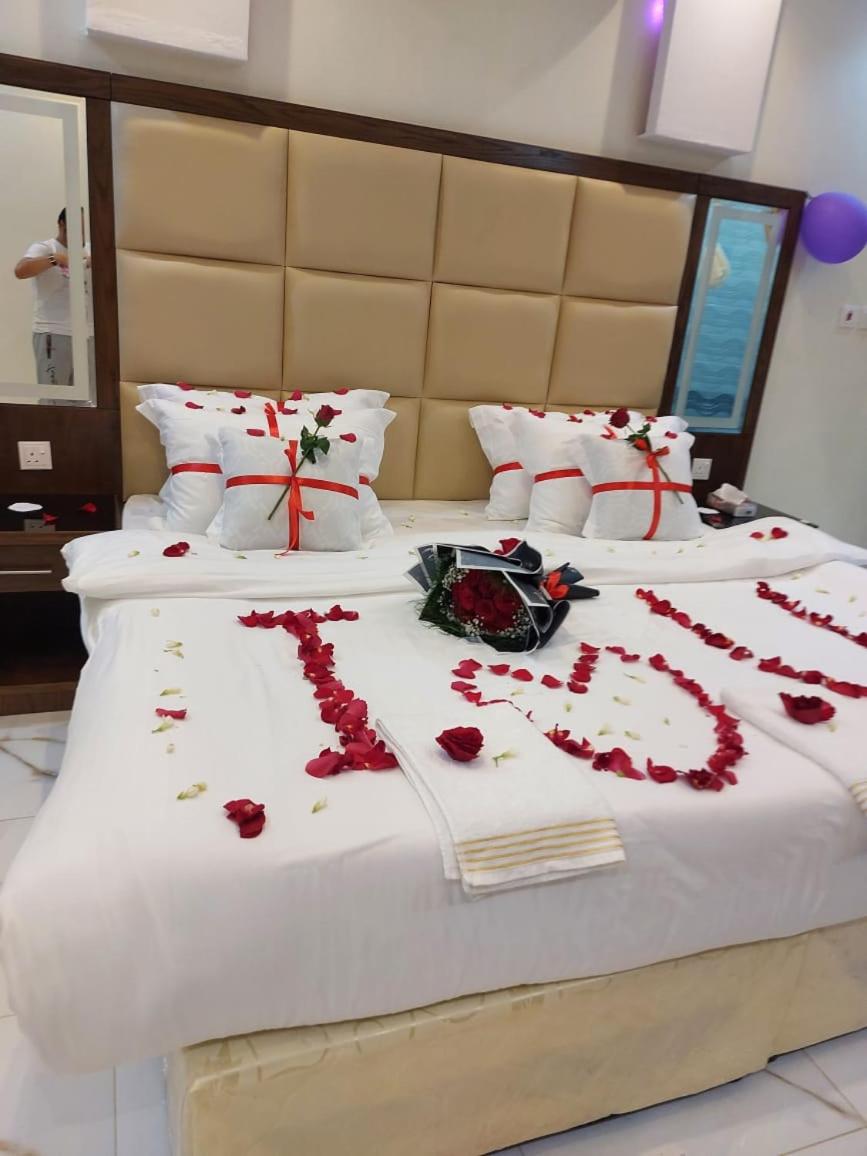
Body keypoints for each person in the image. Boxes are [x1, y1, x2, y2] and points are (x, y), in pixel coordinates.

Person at [14, 207, 94, 391]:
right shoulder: (45, 248)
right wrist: (54, 259)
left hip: (88, 335)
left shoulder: (90, 250)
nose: (79, 235)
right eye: (75, 228)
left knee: (89, 399)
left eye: (82, 230)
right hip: (53, 332)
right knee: (54, 397)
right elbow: (20, 271)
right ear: (61, 224)